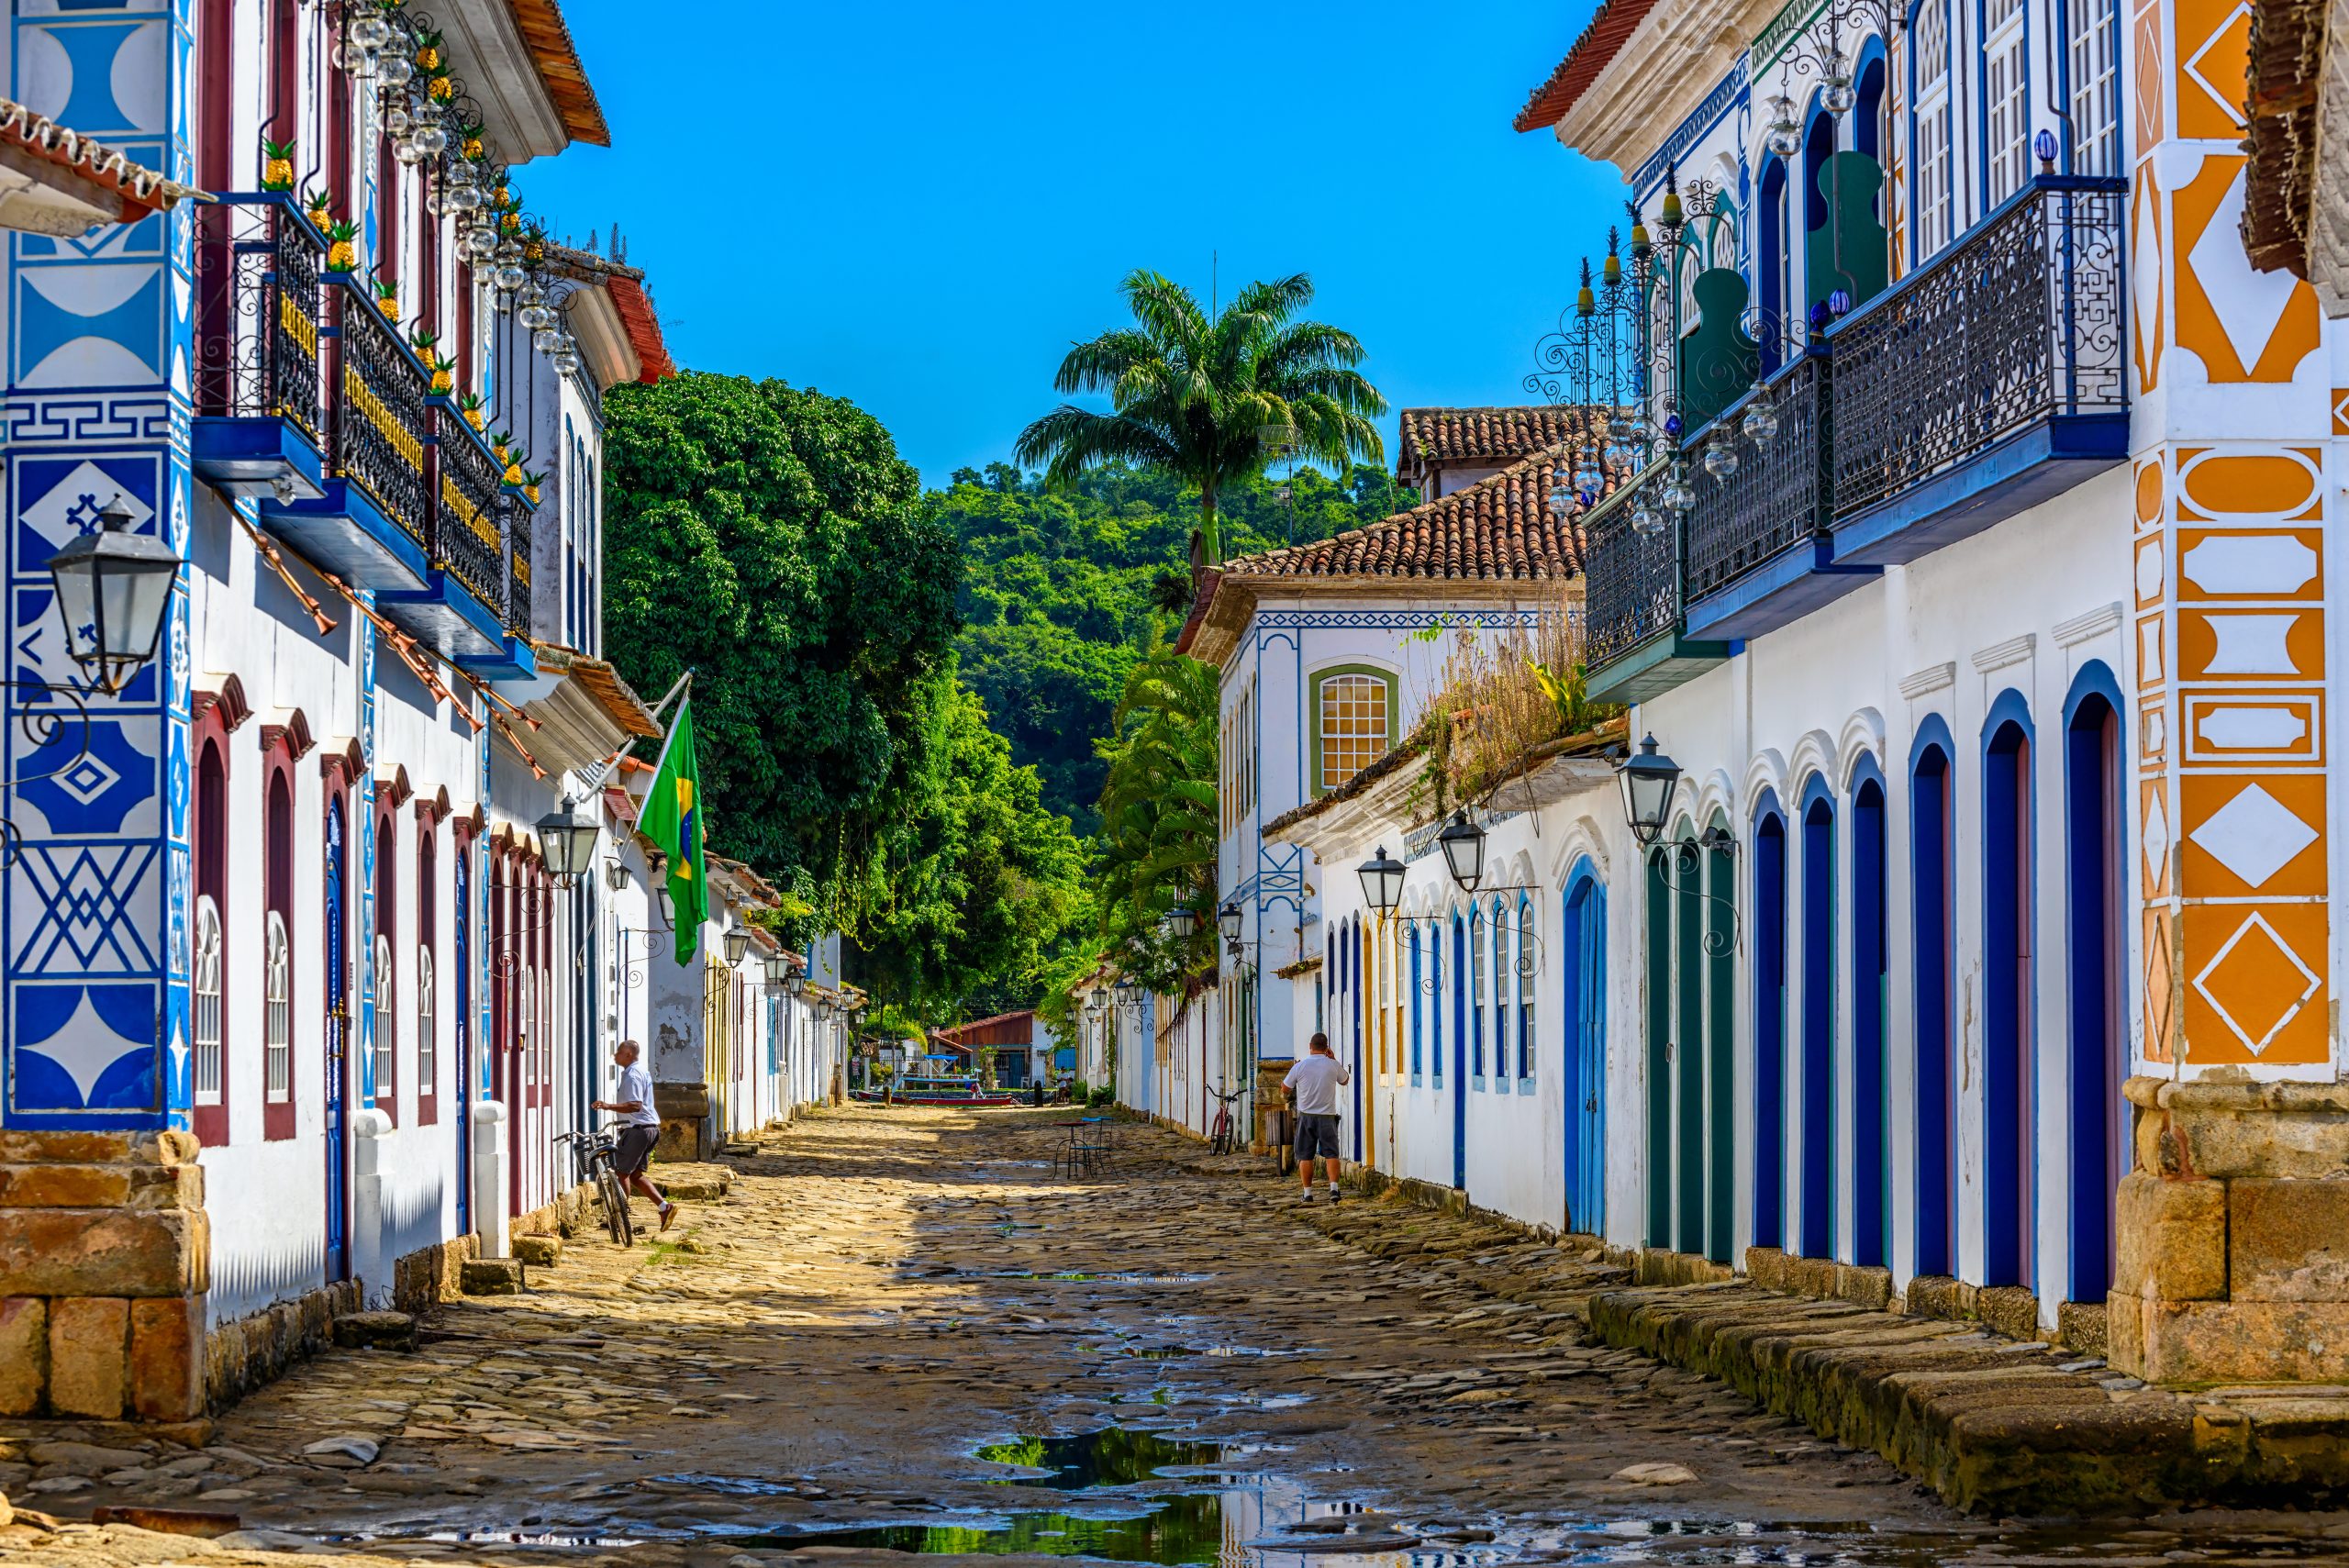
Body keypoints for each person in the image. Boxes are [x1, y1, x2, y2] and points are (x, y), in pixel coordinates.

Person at [591, 1040, 677, 1233]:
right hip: (648, 1128)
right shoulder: (639, 1072)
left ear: (629, 1054)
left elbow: (635, 1105)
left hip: (638, 1129)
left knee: (621, 1173)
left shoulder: (633, 1075)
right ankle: (665, 1207)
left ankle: (622, 1218)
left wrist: (608, 1106)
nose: (615, 1055)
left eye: (619, 1052)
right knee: (636, 1175)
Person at [1283, 1031, 1352, 1203]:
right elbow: (1345, 1080)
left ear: (1310, 1047)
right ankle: (1334, 1190)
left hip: (1306, 1116)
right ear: (1326, 1048)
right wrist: (1334, 1059)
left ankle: (1307, 1193)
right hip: (1327, 1116)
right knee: (1331, 1154)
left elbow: (1285, 1088)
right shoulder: (1332, 1065)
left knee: (1305, 1155)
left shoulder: (1300, 1066)